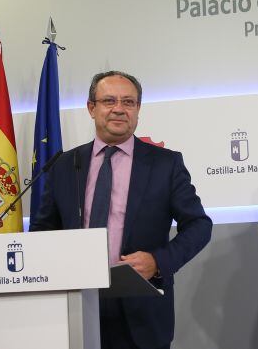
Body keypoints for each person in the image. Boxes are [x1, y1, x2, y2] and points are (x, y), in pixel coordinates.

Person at [30, 70, 212, 349]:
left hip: (142, 313)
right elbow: (43, 230)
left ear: (138, 110)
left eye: (128, 102)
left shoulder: (166, 164)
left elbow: (199, 225)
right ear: (91, 108)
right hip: (75, 307)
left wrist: (158, 261)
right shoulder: (65, 164)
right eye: (109, 101)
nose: (119, 109)